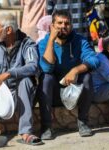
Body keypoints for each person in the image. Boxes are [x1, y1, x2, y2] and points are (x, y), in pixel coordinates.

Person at [38, 9, 100, 139]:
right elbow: (46, 68)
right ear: (52, 26)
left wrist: (75, 70)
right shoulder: (44, 43)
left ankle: (83, 122)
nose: (63, 27)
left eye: (66, 23)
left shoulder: (79, 41)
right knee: (46, 78)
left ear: (71, 25)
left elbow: (94, 60)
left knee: (87, 76)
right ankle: (46, 126)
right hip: (54, 92)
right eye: (59, 23)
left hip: (75, 91)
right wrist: (51, 40)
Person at [0, 13, 43, 146]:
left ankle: (26, 132)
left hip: (20, 94)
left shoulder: (27, 43)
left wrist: (9, 74)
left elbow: (33, 66)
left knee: (25, 81)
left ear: (8, 30)